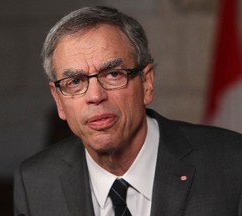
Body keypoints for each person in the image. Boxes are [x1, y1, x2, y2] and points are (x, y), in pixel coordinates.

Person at [14, 6, 242, 216]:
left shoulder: (231, 162)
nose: (95, 96)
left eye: (113, 74)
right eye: (74, 82)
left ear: (147, 83)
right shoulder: (35, 182)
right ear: (59, 101)